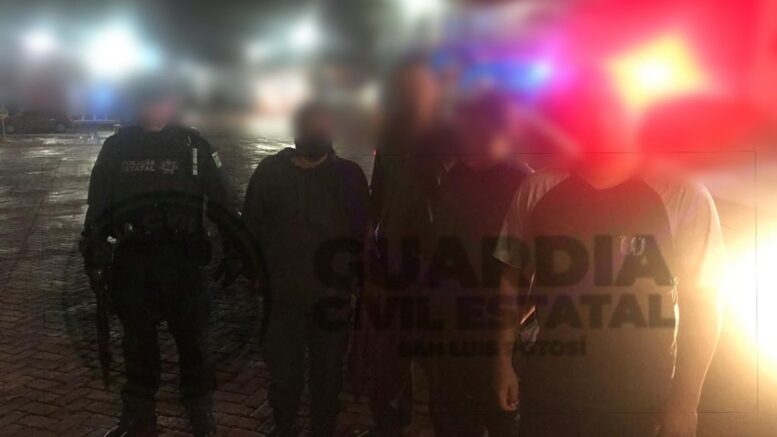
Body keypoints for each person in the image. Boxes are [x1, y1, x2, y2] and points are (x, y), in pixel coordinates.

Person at [492, 66, 724, 436]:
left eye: (615, 106)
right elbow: (512, 279)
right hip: (551, 387)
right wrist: (503, 360)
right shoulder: (538, 189)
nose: (602, 118)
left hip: (640, 395)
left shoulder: (683, 195)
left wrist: (684, 403)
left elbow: (703, 305)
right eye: (591, 107)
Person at [80, 78, 245, 437]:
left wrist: (235, 248)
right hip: (133, 261)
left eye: (162, 101)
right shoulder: (117, 147)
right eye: (148, 101)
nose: (155, 108)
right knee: (137, 344)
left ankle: (201, 415)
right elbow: (99, 205)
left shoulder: (194, 146)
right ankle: (138, 417)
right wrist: (93, 250)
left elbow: (223, 201)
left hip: (182, 262)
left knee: (194, 344)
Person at [243, 102, 370, 437]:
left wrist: (360, 282)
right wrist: (254, 276)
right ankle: (283, 427)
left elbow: (363, 236)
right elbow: (250, 228)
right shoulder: (270, 172)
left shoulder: (349, 176)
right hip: (281, 300)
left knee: (328, 377)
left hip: (332, 301)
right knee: (283, 377)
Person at [355, 57, 450, 437]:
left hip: (439, 266)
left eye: (423, 85)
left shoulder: (451, 135)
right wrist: (370, 238)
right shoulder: (391, 134)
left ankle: (445, 422)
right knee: (389, 359)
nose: (415, 93)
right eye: (409, 86)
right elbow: (378, 191)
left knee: (438, 361)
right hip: (394, 262)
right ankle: (389, 423)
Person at [426, 93, 530, 437]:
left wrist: (508, 340)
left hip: (497, 331)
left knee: (500, 418)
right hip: (450, 329)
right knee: (450, 418)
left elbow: (533, 271)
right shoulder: (455, 176)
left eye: (475, 129)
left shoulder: (522, 184)